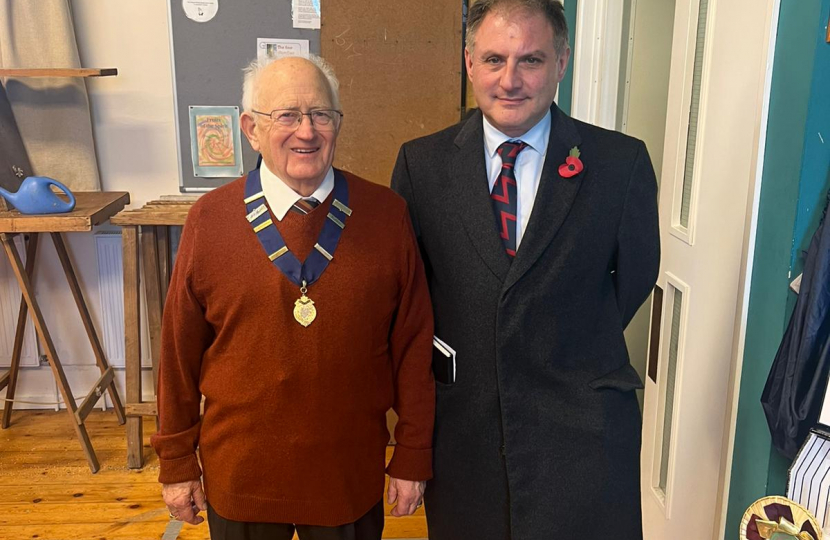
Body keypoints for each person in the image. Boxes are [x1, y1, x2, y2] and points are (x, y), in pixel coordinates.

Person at [391, 1, 660, 538]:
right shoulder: (421, 166)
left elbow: (632, 280)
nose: (509, 80)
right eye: (493, 59)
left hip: (583, 433)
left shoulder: (618, 164)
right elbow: (412, 300)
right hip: (466, 435)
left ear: (562, 61)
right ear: (469, 64)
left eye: (530, 61)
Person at [151, 55, 435, 540]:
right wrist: (176, 462)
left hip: (346, 476)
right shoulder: (209, 220)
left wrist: (412, 453)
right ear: (250, 129)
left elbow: (413, 346)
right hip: (241, 477)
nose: (307, 131)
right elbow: (178, 354)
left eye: (321, 114)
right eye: (286, 115)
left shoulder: (387, 216)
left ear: (337, 124)